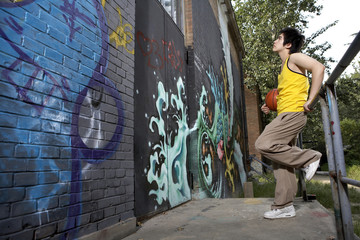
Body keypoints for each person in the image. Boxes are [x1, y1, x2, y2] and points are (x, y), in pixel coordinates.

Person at [255, 27, 325, 219]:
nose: (274, 41)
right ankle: (284, 206)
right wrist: (271, 106)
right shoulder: (285, 67)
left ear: (288, 44)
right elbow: (290, 93)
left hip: (294, 115)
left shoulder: (294, 57)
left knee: (263, 144)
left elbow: (319, 68)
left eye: (279, 38)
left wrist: (311, 100)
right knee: (282, 163)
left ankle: (310, 157)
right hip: (286, 114)